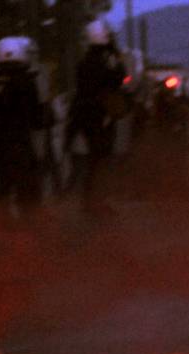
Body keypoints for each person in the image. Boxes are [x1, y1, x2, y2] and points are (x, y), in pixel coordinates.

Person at [67, 19, 126, 215]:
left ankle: (90, 201)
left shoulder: (85, 61)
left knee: (94, 159)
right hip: (101, 114)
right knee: (101, 158)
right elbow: (118, 77)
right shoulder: (106, 59)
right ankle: (96, 202)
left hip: (87, 115)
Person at [0, 36, 44, 221]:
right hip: (21, 136)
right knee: (26, 177)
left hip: (2, 136)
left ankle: (0, 217)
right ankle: (28, 216)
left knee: (4, 178)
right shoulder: (25, 80)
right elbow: (36, 114)